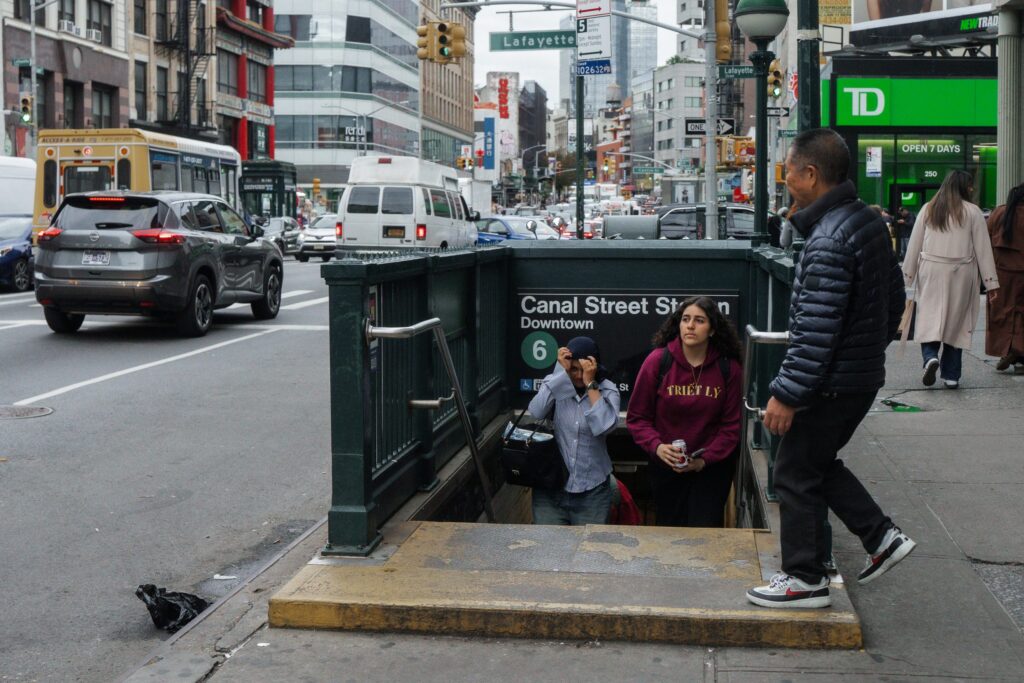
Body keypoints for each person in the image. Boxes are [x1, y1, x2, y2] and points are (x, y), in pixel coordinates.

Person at [746, 128, 914, 610]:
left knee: (793, 472)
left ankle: (805, 579)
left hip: (832, 383)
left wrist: (786, 394)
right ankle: (880, 537)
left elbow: (814, 332)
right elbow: (894, 303)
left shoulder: (828, 239)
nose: (785, 181)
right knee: (815, 463)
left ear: (811, 174)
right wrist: (864, 352)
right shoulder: (866, 222)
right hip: (858, 376)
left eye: (788, 172)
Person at [626, 296, 742, 528]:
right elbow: (637, 418)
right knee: (669, 532)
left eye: (699, 320)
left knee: (705, 532)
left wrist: (703, 460)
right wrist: (657, 446)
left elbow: (731, 426)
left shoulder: (729, 368)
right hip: (667, 466)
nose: (690, 326)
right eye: (685, 319)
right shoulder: (658, 361)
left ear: (712, 330)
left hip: (711, 468)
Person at [903, 170, 999, 389]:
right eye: (970, 185)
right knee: (957, 321)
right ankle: (951, 374)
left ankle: (930, 357)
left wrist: (908, 275)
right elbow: (983, 249)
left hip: (930, 269)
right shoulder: (973, 212)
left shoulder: (929, 208)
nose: (972, 188)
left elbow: (915, 243)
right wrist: (991, 282)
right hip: (961, 271)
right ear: (963, 187)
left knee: (929, 316)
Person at [527, 336, 620, 525]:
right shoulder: (555, 383)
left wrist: (590, 383)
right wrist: (560, 372)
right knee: (548, 542)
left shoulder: (608, 390)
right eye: (574, 369)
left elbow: (604, 427)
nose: (578, 375)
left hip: (592, 492)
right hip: (550, 489)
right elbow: (536, 411)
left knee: (590, 544)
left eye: (583, 369)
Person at [985, 183, 1024, 371]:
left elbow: (985, 240)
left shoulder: (999, 213)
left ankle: (1007, 351)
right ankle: (1019, 355)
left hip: (1001, 274)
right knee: (1021, 313)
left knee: (1002, 314)